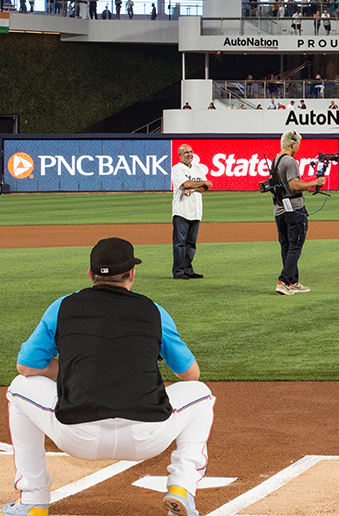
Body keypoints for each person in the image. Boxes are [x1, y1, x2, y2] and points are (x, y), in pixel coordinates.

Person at [3, 237, 215, 516]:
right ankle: (182, 487)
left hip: (77, 434)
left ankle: (33, 500)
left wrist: (69, 366)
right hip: (147, 434)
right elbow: (190, 374)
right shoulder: (154, 311)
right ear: (131, 274)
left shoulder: (62, 307)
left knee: (19, 389)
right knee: (201, 394)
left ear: (90, 275)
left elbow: (25, 368)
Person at [271, 131, 326, 295]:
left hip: (279, 209)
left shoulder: (275, 161)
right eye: (298, 145)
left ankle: (293, 281)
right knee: (295, 246)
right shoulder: (290, 161)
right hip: (294, 208)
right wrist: (315, 182)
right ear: (292, 144)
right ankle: (284, 281)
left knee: (286, 245)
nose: (298, 148)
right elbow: (294, 185)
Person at [171, 144, 212, 280]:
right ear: (180, 155)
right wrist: (202, 183)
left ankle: (188, 269)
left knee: (191, 244)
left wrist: (195, 187)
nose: (189, 154)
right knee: (180, 243)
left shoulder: (197, 168)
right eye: (185, 153)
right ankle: (178, 271)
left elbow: (205, 188)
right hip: (181, 211)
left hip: (196, 211)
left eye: (190, 152)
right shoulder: (177, 169)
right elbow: (186, 184)